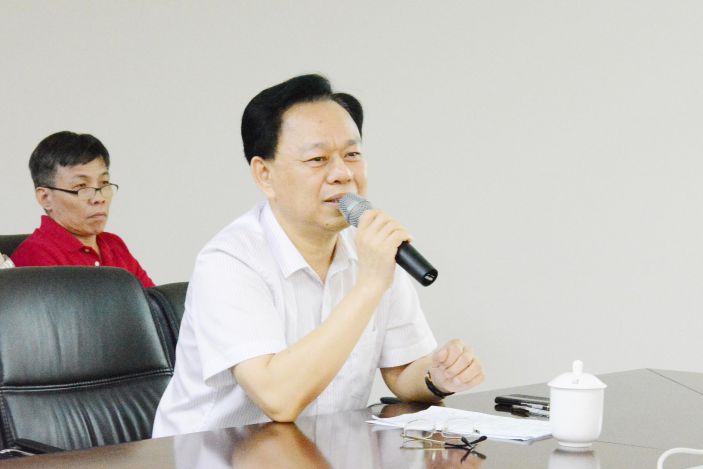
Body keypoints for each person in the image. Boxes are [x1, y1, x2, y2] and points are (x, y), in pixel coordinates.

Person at [152, 74, 484, 436]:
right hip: (213, 454)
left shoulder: (368, 247)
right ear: (264, 175)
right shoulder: (229, 262)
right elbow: (278, 398)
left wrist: (437, 375)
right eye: (318, 159)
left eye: (352, 155)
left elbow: (402, 372)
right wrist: (370, 284)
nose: (342, 174)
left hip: (315, 451)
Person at [11, 131, 155, 288]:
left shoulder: (114, 244)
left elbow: (155, 301)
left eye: (104, 183)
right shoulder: (35, 258)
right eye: (81, 186)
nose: (99, 198)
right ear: (45, 198)